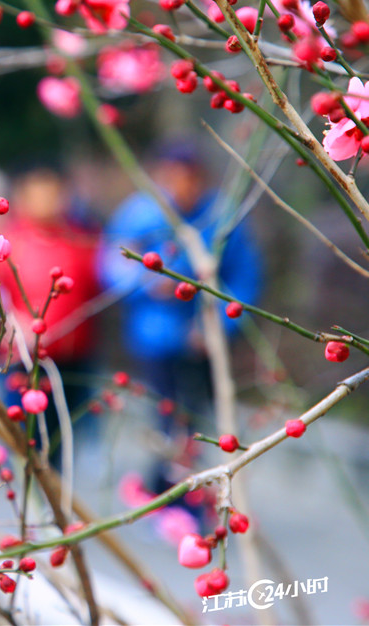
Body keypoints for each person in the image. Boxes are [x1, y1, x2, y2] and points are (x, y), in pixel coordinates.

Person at [100, 141, 262, 495]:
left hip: (204, 339)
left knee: (199, 418)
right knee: (168, 417)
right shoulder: (140, 214)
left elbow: (244, 279)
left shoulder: (222, 216)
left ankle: (183, 488)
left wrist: (216, 323)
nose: (182, 187)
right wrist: (146, 282)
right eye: (172, 177)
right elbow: (111, 265)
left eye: (190, 178)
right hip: (155, 338)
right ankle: (165, 490)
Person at [0, 163, 103, 470]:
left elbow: (96, 286)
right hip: (25, 357)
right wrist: (11, 323)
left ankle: (57, 496)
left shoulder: (81, 239)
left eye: (54, 194)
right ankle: (35, 494)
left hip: (74, 353)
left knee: (65, 433)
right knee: (29, 435)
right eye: (39, 194)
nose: (48, 201)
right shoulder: (7, 243)